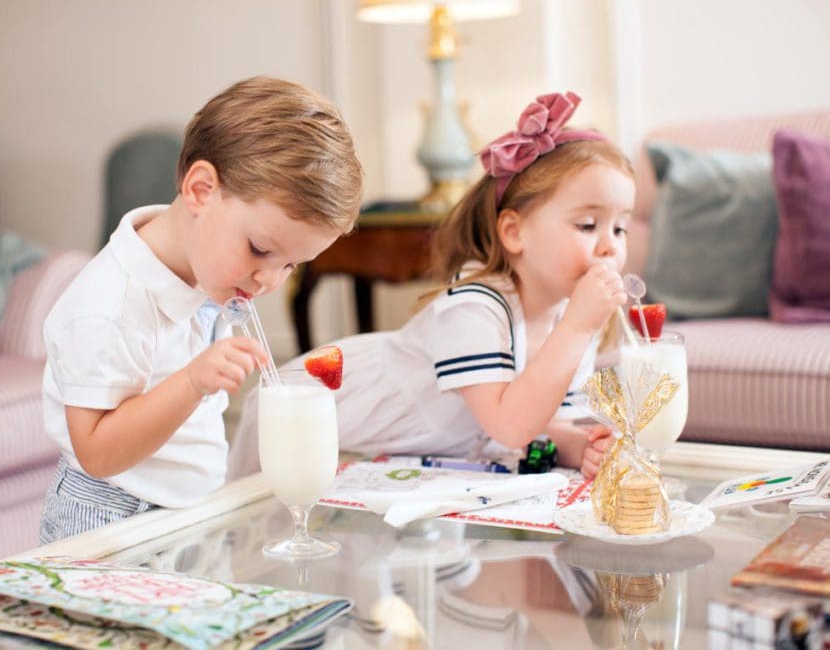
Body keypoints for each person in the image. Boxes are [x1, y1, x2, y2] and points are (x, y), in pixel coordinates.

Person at [229, 91, 630, 481]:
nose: (610, 245)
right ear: (513, 231)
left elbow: (541, 428)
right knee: (261, 524)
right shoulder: (475, 307)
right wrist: (577, 327)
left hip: (397, 455)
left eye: (620, 227)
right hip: (306, 412)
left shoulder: (571, 319)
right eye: (587, 225)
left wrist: (581, 447)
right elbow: (511, 427)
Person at [39, 76, 363, 543]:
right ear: (201, 190)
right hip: (112, 516)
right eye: (259, 249)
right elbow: (97, 452)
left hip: (184, 512)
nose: (270, 280)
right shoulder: (112, 305)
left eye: (291, 265)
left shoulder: (208, 278)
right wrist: (193, 381)